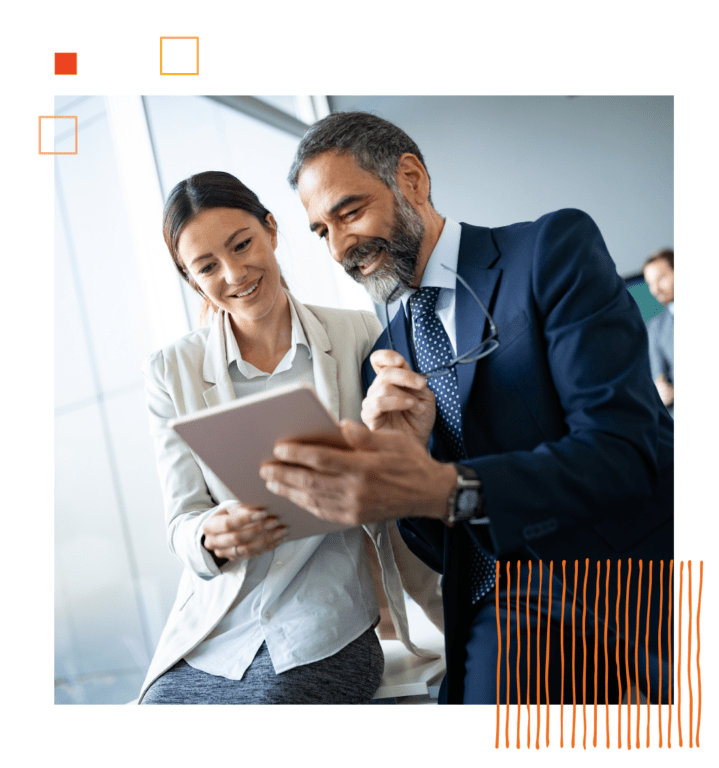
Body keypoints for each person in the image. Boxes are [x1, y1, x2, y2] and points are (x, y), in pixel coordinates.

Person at [257, 112, 674, 704]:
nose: (342, 245)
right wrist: (402, 467)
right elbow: (437, 545)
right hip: (505, 610)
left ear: (412, 178)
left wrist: (450, 486)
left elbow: (626, 452)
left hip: (629, 581)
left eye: (349, 212)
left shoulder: (549, 250)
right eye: (322, 231)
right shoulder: (385, 354)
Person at [137, 170, 438, 705]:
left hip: (323, 627)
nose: (234, 273)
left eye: (243, 244)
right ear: (191, 279)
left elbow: (406, 466)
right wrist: (212, 534)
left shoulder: (360, 336)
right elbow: (181, 522)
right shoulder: (171, 371)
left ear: (272, 230)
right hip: (216, 632)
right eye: (207, 267)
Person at [643, 249, 674, 416]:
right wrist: (661, 390)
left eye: (661, 279)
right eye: (650, 284)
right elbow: (658, 375)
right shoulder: (655, 327)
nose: (655, 290)